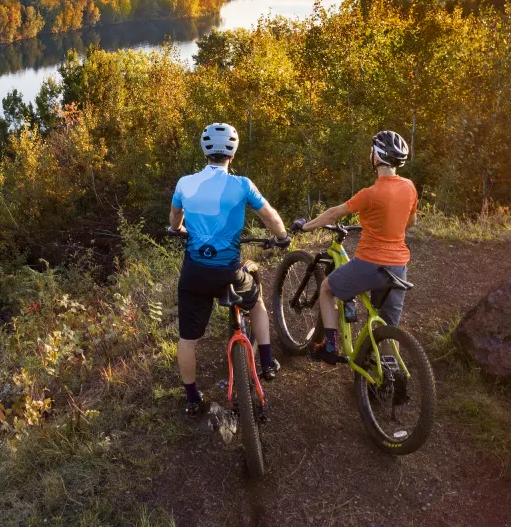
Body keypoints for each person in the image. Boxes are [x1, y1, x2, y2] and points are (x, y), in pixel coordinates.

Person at [170, 122, 291, 416]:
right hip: (228, 272)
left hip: (195, 275)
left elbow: (174, 219)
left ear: (204, 151)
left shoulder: (185, 183)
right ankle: (266, 361)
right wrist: (282, 237)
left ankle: (191, 398)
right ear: (232, 156)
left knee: (188, 339)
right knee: (257, 300)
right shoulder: (242, 185)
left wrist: (180, 228)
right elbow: (271, 218)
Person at [293, 130, 417, 364]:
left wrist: (305, 227)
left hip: (370, 264)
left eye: (372, 151)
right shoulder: (409, 187)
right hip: (399, 266)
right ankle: (391, 375)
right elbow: (411, 222)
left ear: (378, 158)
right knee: (389, 324)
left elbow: (333, 214)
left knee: (327, 288)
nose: (370, 154)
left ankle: (330, 346)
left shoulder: (370, 194)